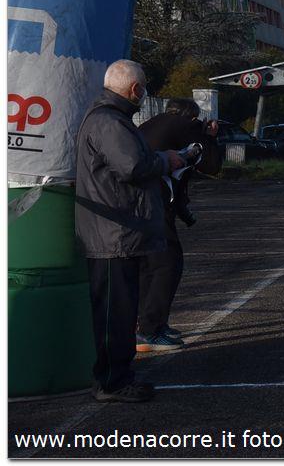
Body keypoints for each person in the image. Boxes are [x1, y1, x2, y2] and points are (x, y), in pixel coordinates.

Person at [74, 60, 185, 403]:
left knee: (120, 311)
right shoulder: (110, 121)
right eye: (144, 86)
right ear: (136, 89)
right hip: (114, 234)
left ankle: (118, 376)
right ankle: (111, 381)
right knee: (115, 314)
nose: (144, 92)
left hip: (116, 232)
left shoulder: (109, 118)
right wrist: (166, 160)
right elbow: (132, 166)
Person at [136, 98, 222, 352]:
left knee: (148, 267)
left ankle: (143, 324)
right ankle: (150, 330)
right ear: (192, 117)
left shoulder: (149, 125)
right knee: (168, 265)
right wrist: (210, 137)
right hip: (156, 205)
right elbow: (212, 165)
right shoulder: (185, 126)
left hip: (134, 204)